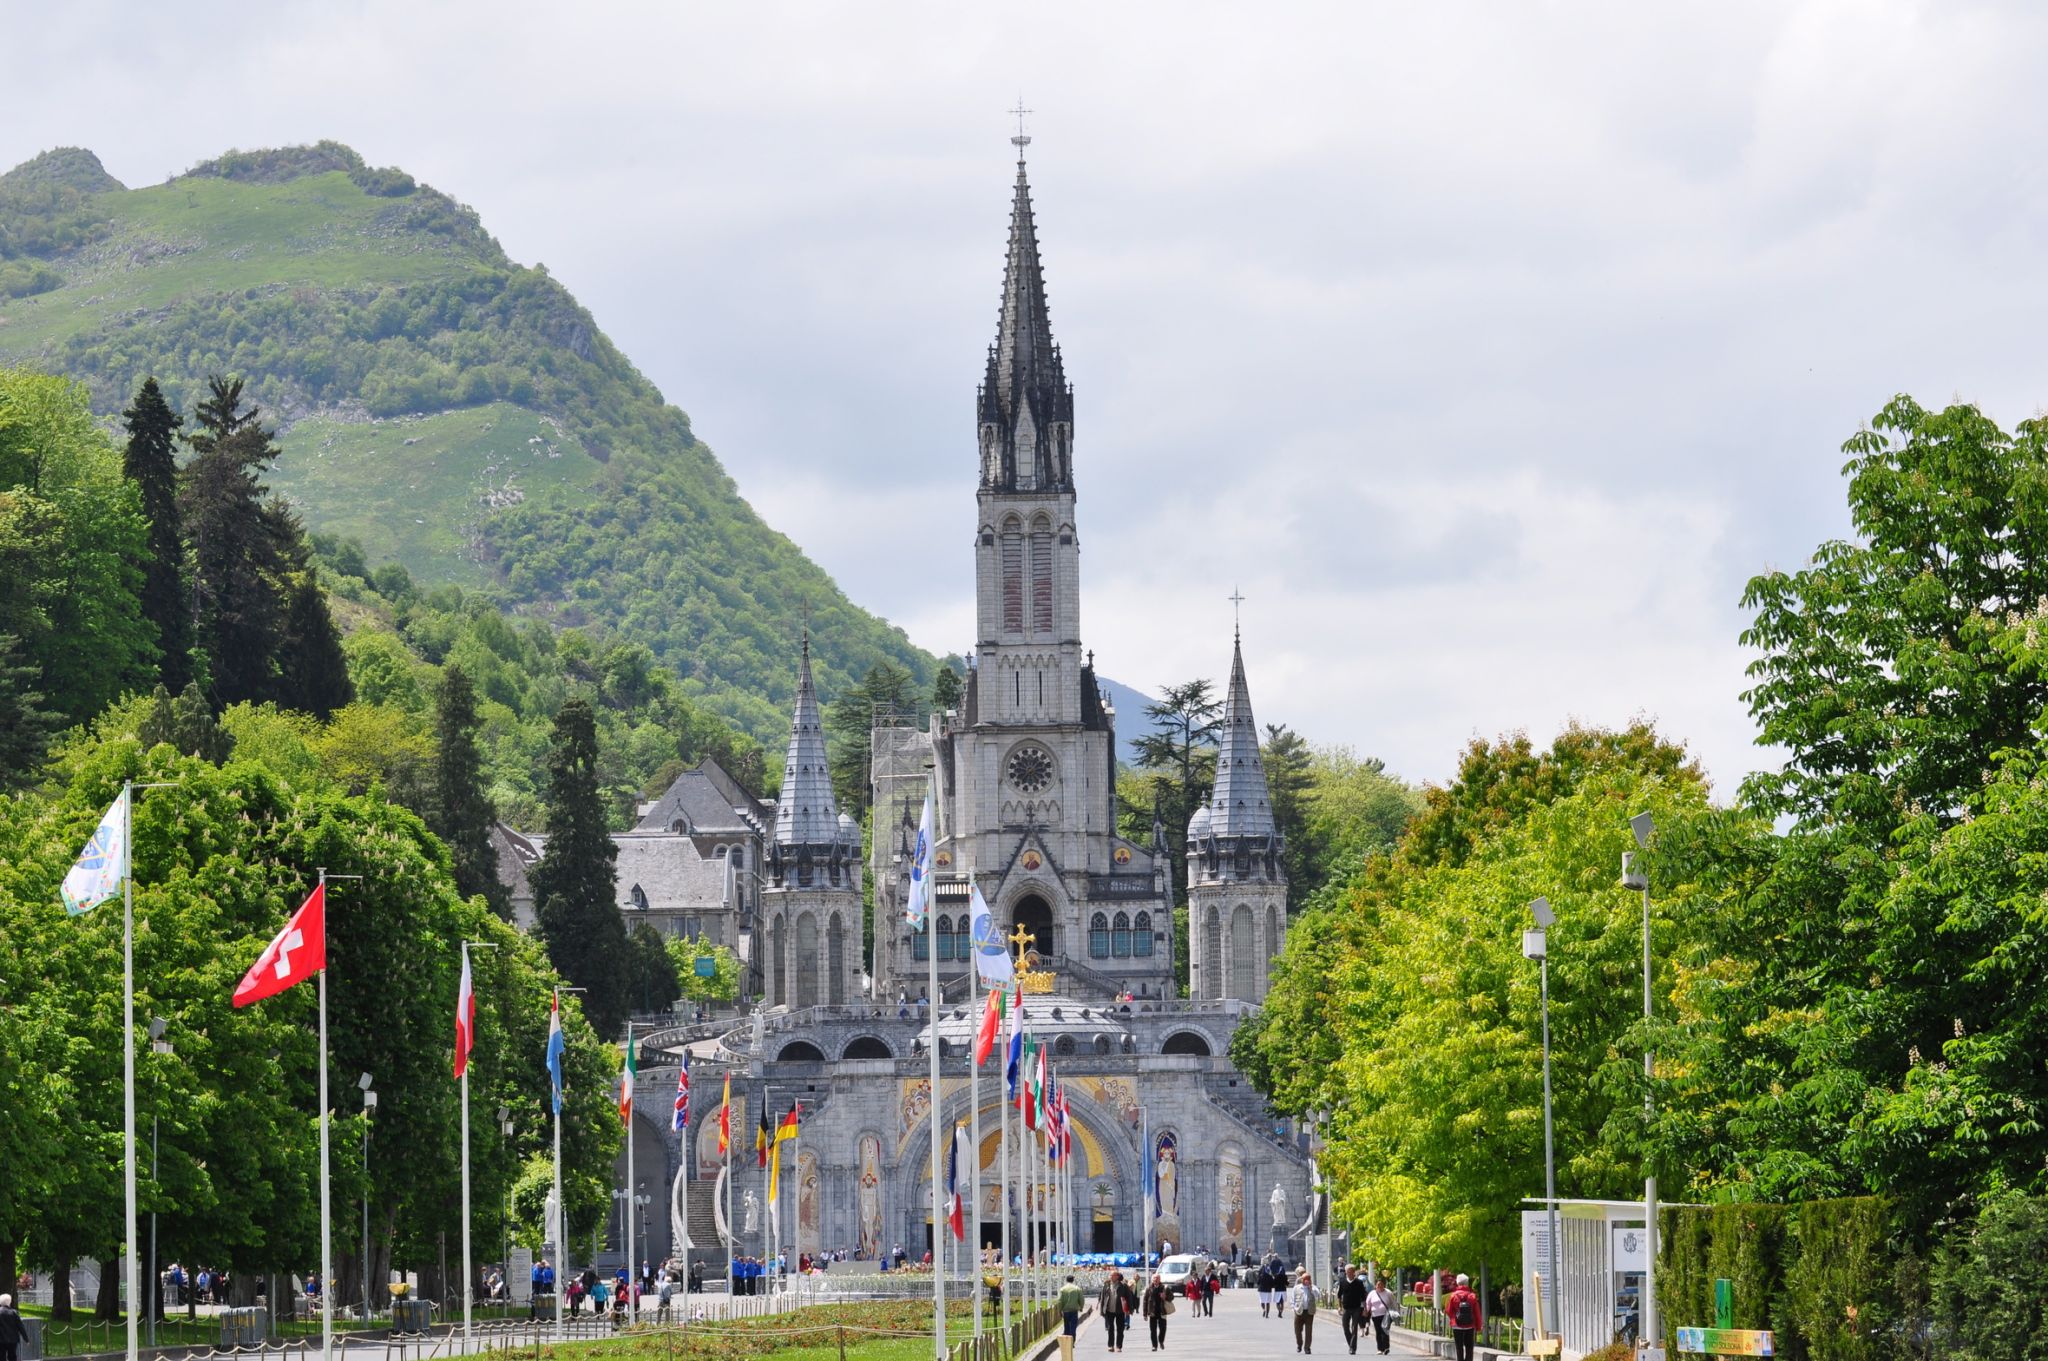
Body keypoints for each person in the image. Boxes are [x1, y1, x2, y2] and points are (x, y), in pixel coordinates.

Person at [1443, 1274, 1482, 1361]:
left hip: (1457, 1325)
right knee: (1469, 1348)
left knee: (1459, 1347)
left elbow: (1448, 1310)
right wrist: (1478, 1326)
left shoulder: (1453, 1296)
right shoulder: (1472, 1296)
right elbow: (1477, 1313)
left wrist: (1454, 1319)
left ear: (1458, 1283)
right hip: (1470, 1325)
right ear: (1467, 1283)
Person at [1099, 1270, 1136, 1353]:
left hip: (1120, 1311)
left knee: (1120, 1329)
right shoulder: (1106, 1285)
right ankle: (1110, 1346)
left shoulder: (1123, 1286)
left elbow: (1129, 1297)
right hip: (1109, 1311)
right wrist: (1102, 1310)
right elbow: (1103, 1298)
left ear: (1117, 1276)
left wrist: (1130, 1309)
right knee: (1110, 1329)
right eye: (1110, 1275)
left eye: (1112, 1275)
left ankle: (1119, 1346)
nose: (1110, 1277)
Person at [1337, 1266, 1368, 1354]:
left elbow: (1363, 1297)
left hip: (1356, 1308)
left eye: (1351, 1272)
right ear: (1346, 1272)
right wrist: (1340, 1307)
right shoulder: (1342, 1282)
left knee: (1354, 1328)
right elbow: (1339, 1295)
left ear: (1354, 1272)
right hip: (1346, 1308)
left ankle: (1352, 1348)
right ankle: (1351, 1344)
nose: (1349, 1273)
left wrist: (1365, 1309)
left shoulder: (1359, 1282)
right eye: (1347, 1272)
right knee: (1345, 1327)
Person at [1056, 1274, 1087, 1361]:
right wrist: (1081, 1307)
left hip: (1066, 1311)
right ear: (1073, 1280)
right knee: (1073, 1327)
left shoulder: (1063, 1289)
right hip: (1074, 1311)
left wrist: (1059, 1310)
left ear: (1066, 1280)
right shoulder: (1077, 1289)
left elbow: (1060, 1300)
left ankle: (1066, 1342)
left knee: (1066, 1326)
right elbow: (1081, 1299)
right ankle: (1072, 1342)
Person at [1365, 1276, 1396, 1356]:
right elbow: (1368, 1304)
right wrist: (1367, 1311)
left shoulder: (1388, 1293)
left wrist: (1394, 1312)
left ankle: (1386, 1347)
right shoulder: (1372, 1293)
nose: (1379, 1286)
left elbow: (1393, 1303)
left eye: (1381, 1284)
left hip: (1386, 1315)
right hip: (1375, 1315)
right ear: (1375, 1285)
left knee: (1385, 1332)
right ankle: (1379, 1349)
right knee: (1378, 1332)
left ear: (1384, 1285)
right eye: (1378, 1284)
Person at [1289, 1272, 1318, 1354]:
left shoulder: (1313, 1288)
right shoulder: (1297, 1288)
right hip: (1299, 1312)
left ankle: (1307, 1348)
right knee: (1297, 1330)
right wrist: (1294, 1308)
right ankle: (1299, 1344)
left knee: (1309, 1331)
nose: (1306, 1281)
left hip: (1309, 1312)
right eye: (1305, 1279)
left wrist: (1311, 1289)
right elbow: (1292, 1299)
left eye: (1308, 1279)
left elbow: (1317, 1295)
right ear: (1302, 1280)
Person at [1142, 1274, 1172, 1352]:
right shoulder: (1149, 1288)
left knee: (1163, 1328)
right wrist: (1145, 1314)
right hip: (1152, 1312)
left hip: (1162, 1311)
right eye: (1154, 1278)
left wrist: (1165, 1297)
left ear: (1160, 1279)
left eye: (1157, 1278)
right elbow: (1145, 1301)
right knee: (1153, 1330)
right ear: (1152, 1280)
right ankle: (1154, 1346)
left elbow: (1172, 1297)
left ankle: (1161, 1340)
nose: (1155, 1280)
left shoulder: (1164, 1288)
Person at [0, 1294, 23, 1361]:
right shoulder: (14, 1312)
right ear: (9, 1302)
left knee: (1, 1357)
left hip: (1, 1339)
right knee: (12, 1356)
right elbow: (20, 1326)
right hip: (13, 1340)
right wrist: (26, 1339)